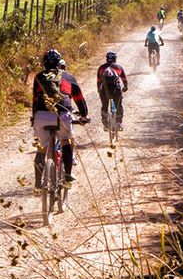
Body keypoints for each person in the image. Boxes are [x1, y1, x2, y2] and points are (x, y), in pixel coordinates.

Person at [31, 49, 88, 185]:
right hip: (62, 116)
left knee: (41, 148)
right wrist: (84, 115)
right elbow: (79, 99)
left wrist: (34, 118)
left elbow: (34, 101)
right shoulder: (68, 77)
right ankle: (67, 176)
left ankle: (38, 185)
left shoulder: (38, 77)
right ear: (59, 62)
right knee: (65, 141)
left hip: (41, 116)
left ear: (44, 63)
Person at [96, 51, 129, 130]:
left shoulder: (101, 68)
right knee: (119, 105)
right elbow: (124, 79)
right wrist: (125, 87)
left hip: (104, 90)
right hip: (115, 90)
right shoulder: (118, 67)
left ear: (107, 59)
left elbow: (98, 81)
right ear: (115, 59)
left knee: (104, 106)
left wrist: (99, 90)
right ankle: (118, 123)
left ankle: (105, 124)